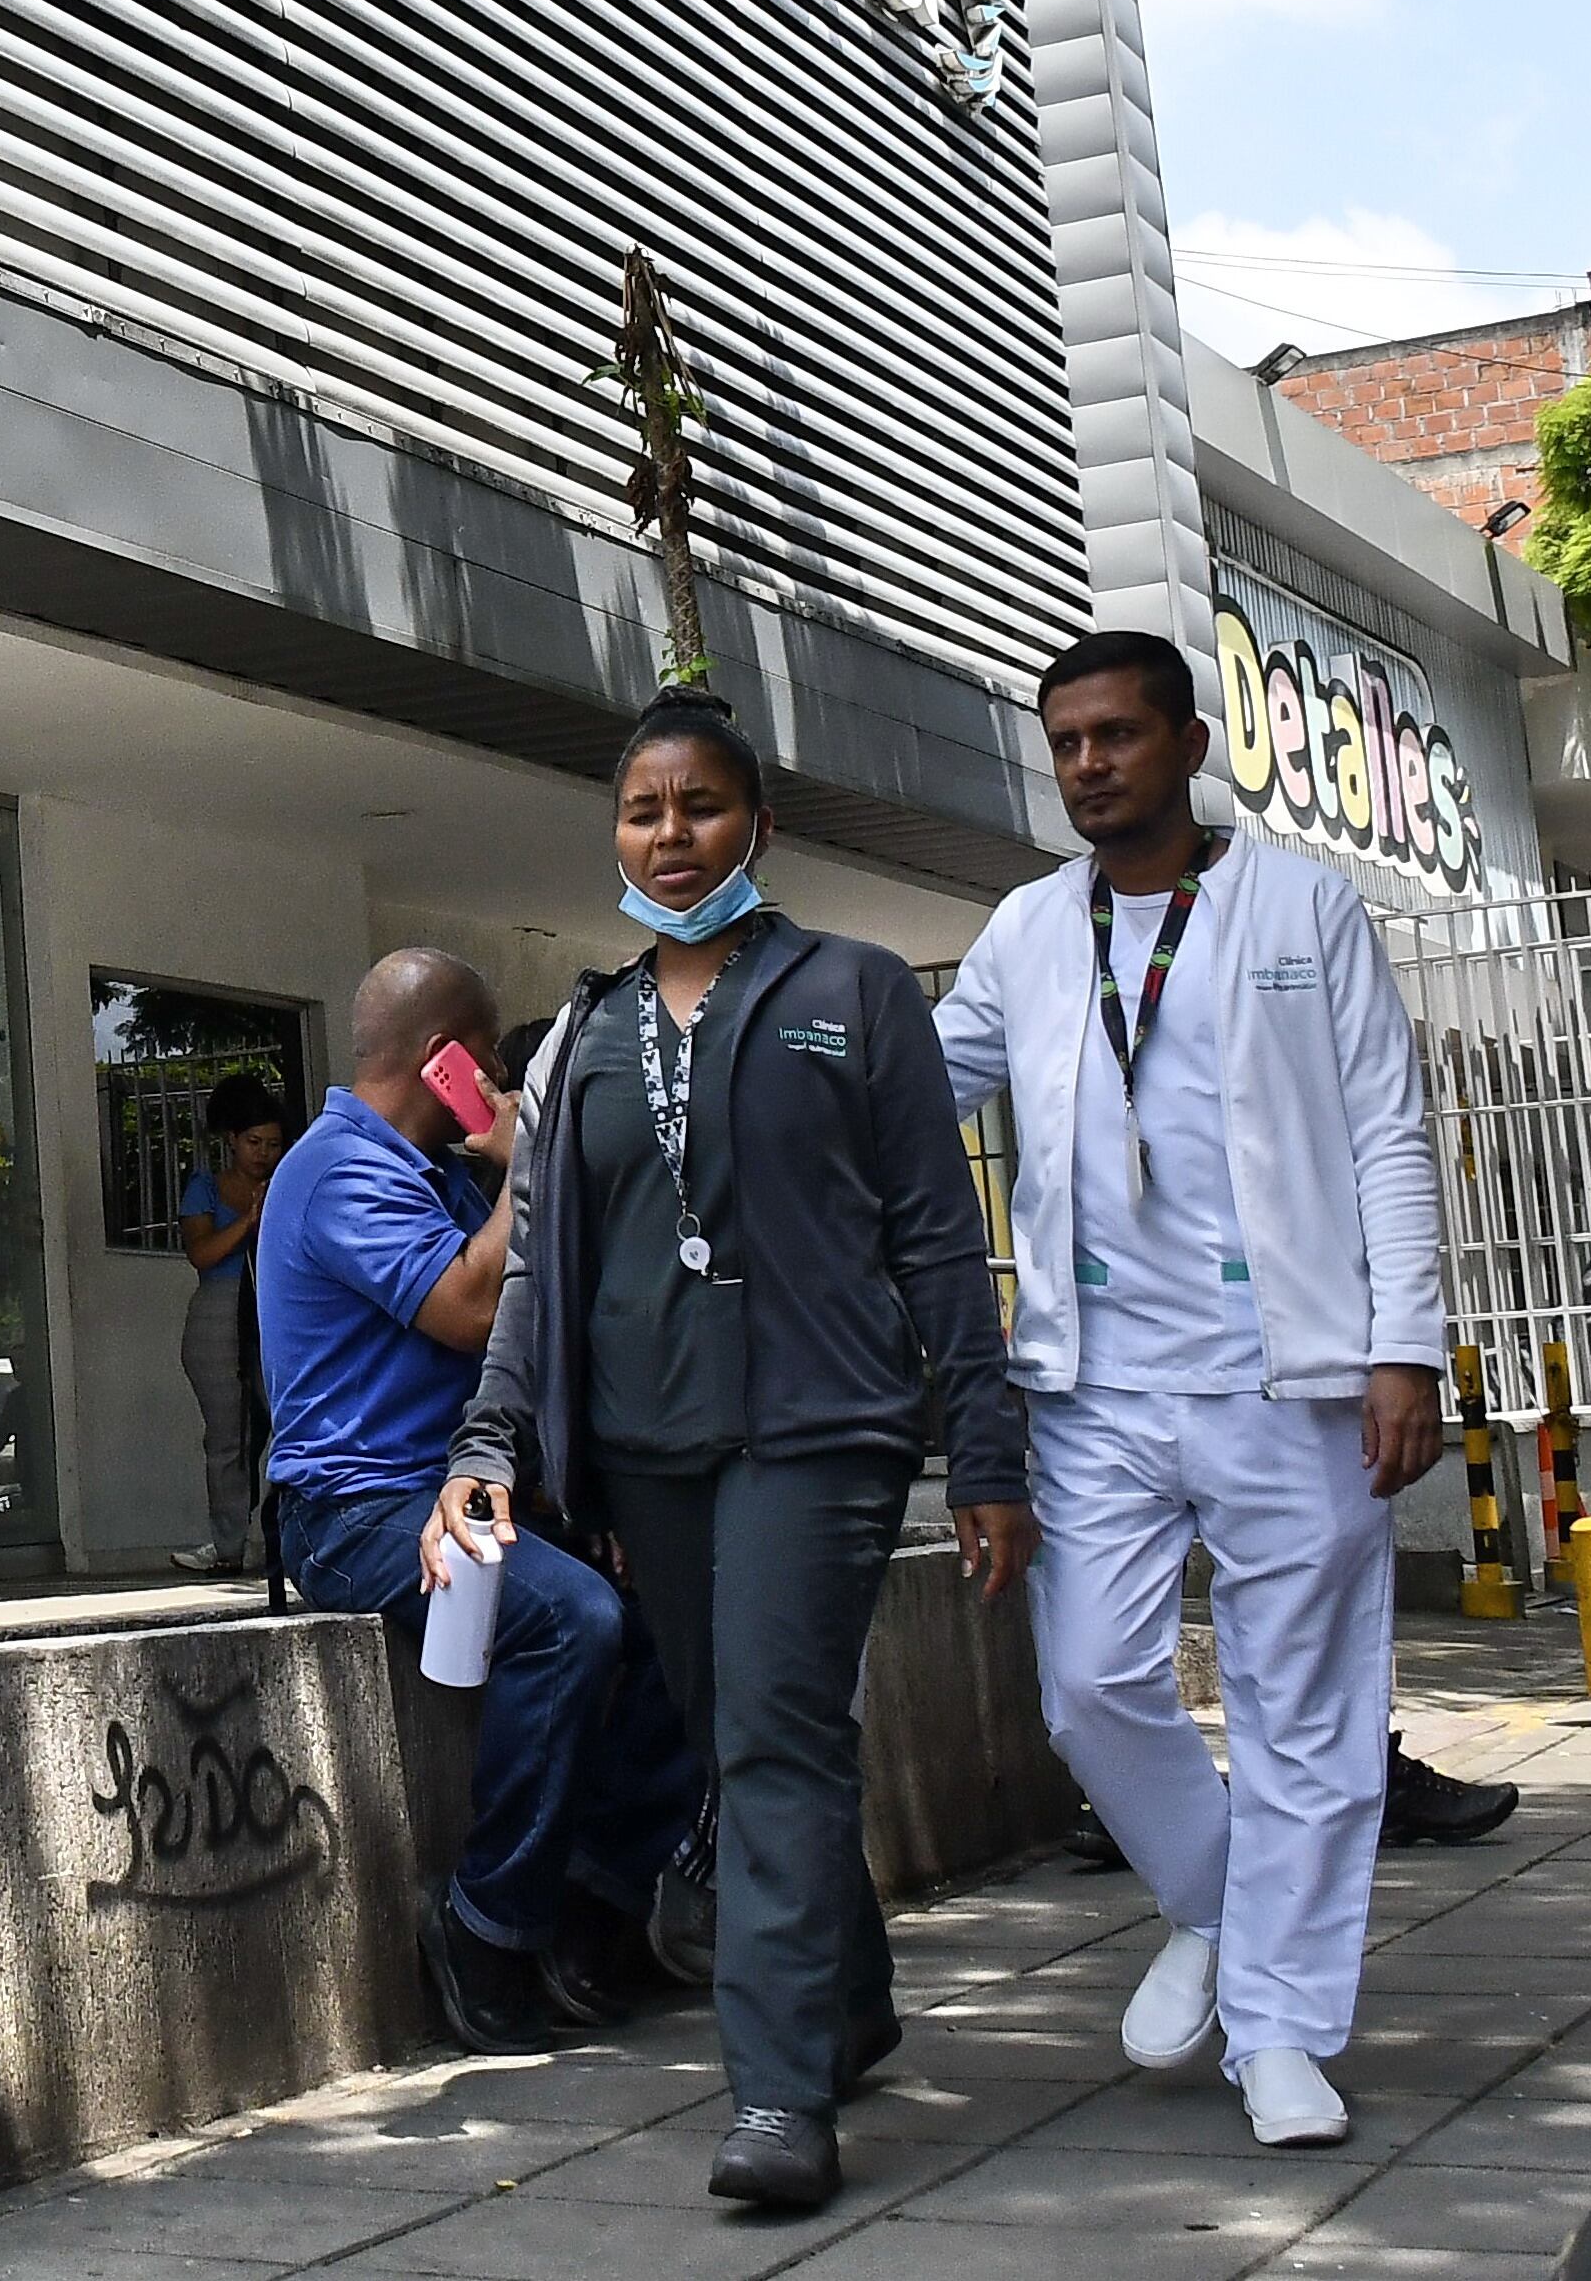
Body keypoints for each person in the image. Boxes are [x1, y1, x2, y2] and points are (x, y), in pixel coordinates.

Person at [431, 690, 1033, 2211]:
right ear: (617, 834)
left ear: (756, 824)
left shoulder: (857, 991)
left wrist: (984, 1446)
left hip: (820, 1435)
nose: (671, 837)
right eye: (643, 812)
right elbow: (547, 1272)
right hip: (649, 1450)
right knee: (750, 1743)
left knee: (773, 1740)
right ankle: (853, 2003)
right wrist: (489, 1440)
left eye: (699, 808)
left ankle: (777, 2095)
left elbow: (937, 1239)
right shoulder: (589, 1030)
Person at [935, 628, 1448, 2155]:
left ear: (1189, 745)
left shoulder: (1300, 903)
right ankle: (1221, 1906)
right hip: (1094, 1386)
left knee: (1310, 1718)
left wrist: (1403, 1344)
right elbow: (904, 1083)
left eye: (1117, 736)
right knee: (1089, 1687)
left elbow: (1387, 1134)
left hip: (1290, 1379)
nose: (1089, 763)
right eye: (1068, 742)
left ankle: (1287, 2031)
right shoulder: (1028, 930)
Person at [263, 945, 689, 2064]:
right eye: (487, 1070)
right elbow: (463, 1306)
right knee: (570, 1620)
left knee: (679, 1614)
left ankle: (596, 1902)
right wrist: (530, 1157)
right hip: (355, 1507)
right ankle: (486, 1922)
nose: (498, 1095)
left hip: (468, 1490)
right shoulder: (336, 1167)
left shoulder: (438, 1171)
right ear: (446, 1063)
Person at [172, 1070, 288, 1572]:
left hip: (273, 1310)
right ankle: (227, 1547)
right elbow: (201, 1254)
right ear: (232, 1141)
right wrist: (248, 1221)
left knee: (285, 1425)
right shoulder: (206, 1186)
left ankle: (278, 1537)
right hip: (220, 1310)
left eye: (273, 1144)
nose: (263, 1154)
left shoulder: (288, 1183)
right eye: (254, 1142)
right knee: (227, 1436)